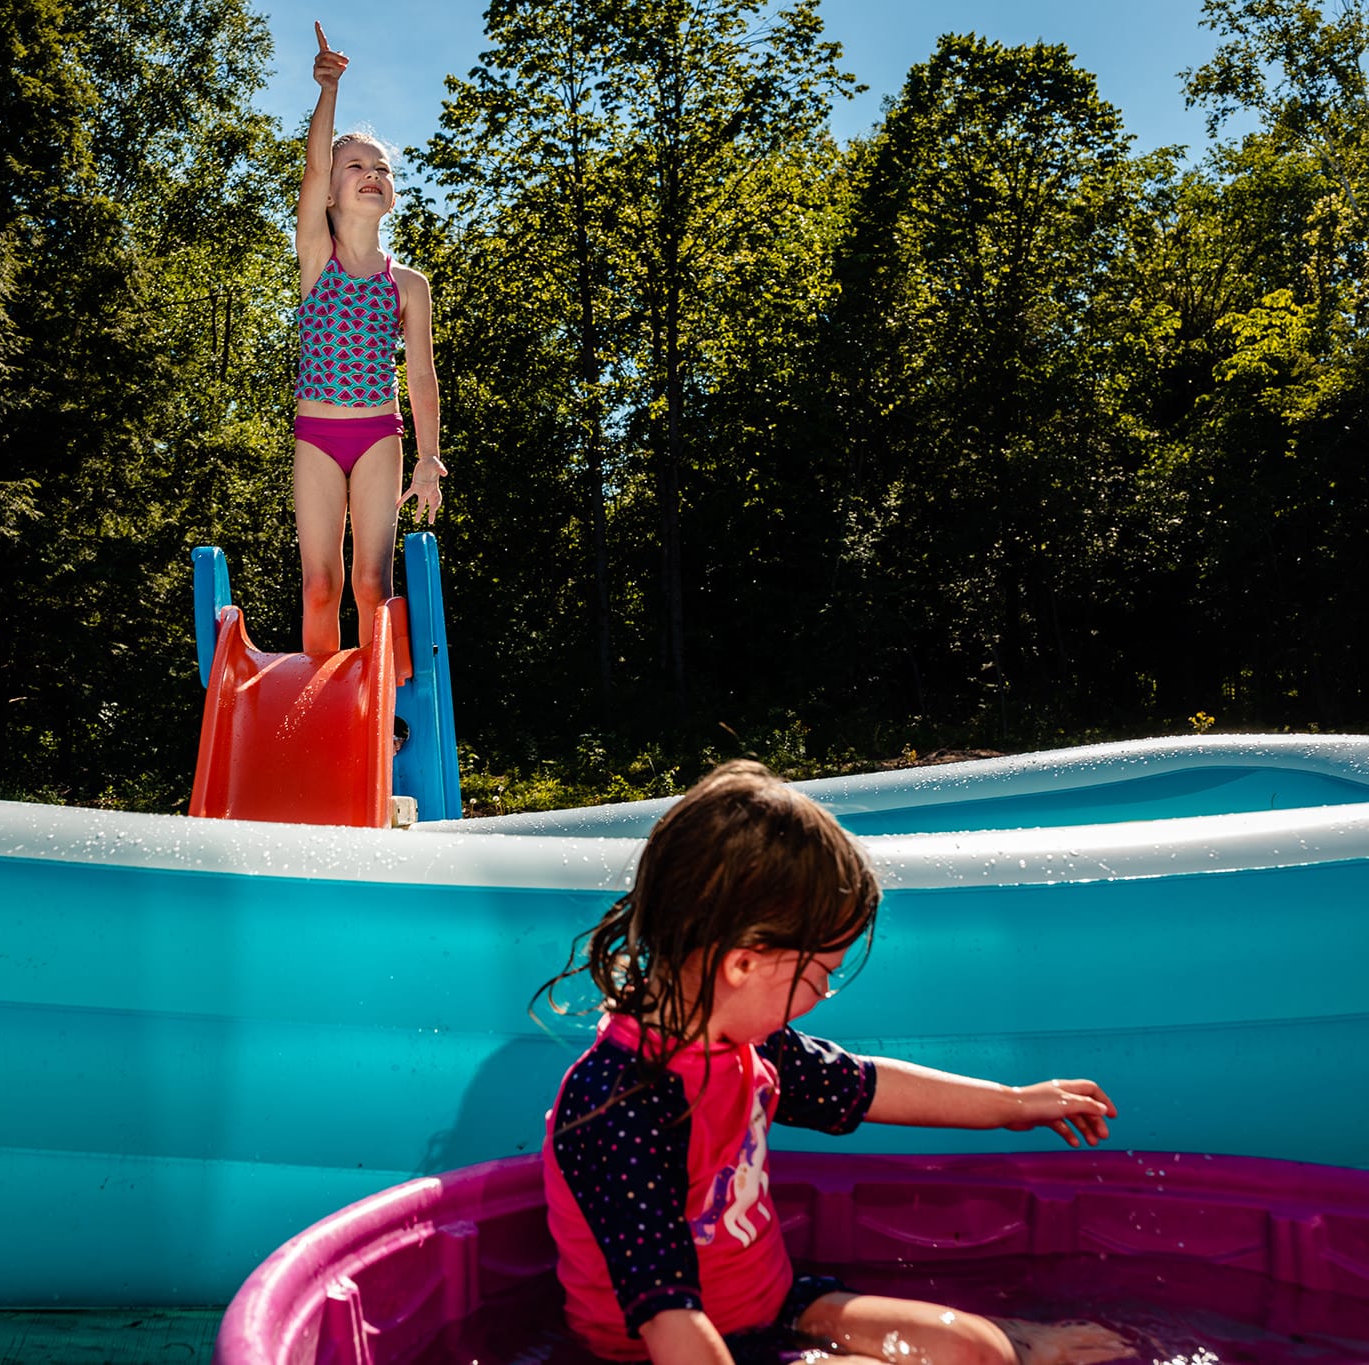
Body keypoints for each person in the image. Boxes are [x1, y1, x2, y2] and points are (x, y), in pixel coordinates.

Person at [537, 761, 1131, 1365]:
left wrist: (1014, 1104)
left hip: (775, 1308)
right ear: (743, 963)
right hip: (668, 1350)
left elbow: (864, 1085)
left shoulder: (747, 1044)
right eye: (818, 973)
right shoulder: (620, 1106)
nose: (822, 995)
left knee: (973, 1350)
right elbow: (667, 1318)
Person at [294, 21, 444, 654]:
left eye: (380, 168)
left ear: (390, 192)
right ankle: (319, 706)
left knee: (371, 583)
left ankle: (375, 709)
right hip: (317, 434)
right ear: (330, 190)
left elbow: (420, 376)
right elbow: (312, 163)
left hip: (380, 433)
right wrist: (328, 90)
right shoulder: (314, 255)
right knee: (321, 584)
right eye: (354, 165)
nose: (370, 173)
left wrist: (429, 458)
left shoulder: (407, 283)